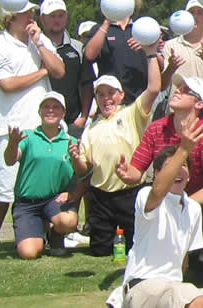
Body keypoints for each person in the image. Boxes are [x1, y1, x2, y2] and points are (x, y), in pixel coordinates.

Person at [115, 75, 203, 287]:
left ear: (199, 103)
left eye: (186, 90)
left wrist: (181, 204)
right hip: (161, 196)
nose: (177, 91)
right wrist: (125, 173)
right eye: (178, 88)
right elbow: (135, 173)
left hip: (195, 198)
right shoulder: (156, 128)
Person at [0, 2, 66, 256]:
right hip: (11, 122)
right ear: (11, 17)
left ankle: (50, 231)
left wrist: (39, 43)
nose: (32, 15)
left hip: (41, 126)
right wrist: (40, 73)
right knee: (4, 183)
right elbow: (6, 84)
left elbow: (59, 70)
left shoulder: (40, 39)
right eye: (27, 12)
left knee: (44, 180)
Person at [119, 132, 203, 308]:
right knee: (202, 302)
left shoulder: (193, 209)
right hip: (143, 287)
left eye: (184, 165)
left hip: (175, 289)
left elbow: (184, 260)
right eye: (172, 166)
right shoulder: (146, 196)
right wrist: (184, 149)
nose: (179, 170)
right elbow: (158, 191)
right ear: (157, 174)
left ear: (189, 175)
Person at [75, 41, 162, 257]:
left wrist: (151, 55)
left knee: (135, 247)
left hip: (129, 192)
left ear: (121, 95)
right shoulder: (90, 128)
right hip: (100, 196)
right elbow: (82, 168)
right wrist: (76, 158)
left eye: (111, 93)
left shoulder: (132, 114)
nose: (106, 99)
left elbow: (153, 89)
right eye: (101, 94)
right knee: (100, 250)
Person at [3, 92, 85, 259]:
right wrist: (12, 144)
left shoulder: (70, 140)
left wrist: (75, 158)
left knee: (69, 221)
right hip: (27, 203)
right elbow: (10, 160)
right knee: (29, 253)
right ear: (40, 111)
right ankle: (36, 229)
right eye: (46, 107)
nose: (50, 110)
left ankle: (55, 236)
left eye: (55, 107)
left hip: (53, 201)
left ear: (63, 113)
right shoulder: (28, 136)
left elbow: (83, 172)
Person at [84, 0, 147, 103]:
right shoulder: (100, 29)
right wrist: (108, 20)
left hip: (140, 101)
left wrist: (146, 46)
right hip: (112, 102)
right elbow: (89, 55)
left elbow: (159, 64)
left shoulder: (141, 28)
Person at [39, 0, 94, 135]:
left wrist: (83, 116)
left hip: (72, 120)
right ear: (42, 19)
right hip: (40, 120)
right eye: (52, 16)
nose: (57, 20)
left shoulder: (78, 48)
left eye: (61, 15)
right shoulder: (34, 47)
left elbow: (87, 83)